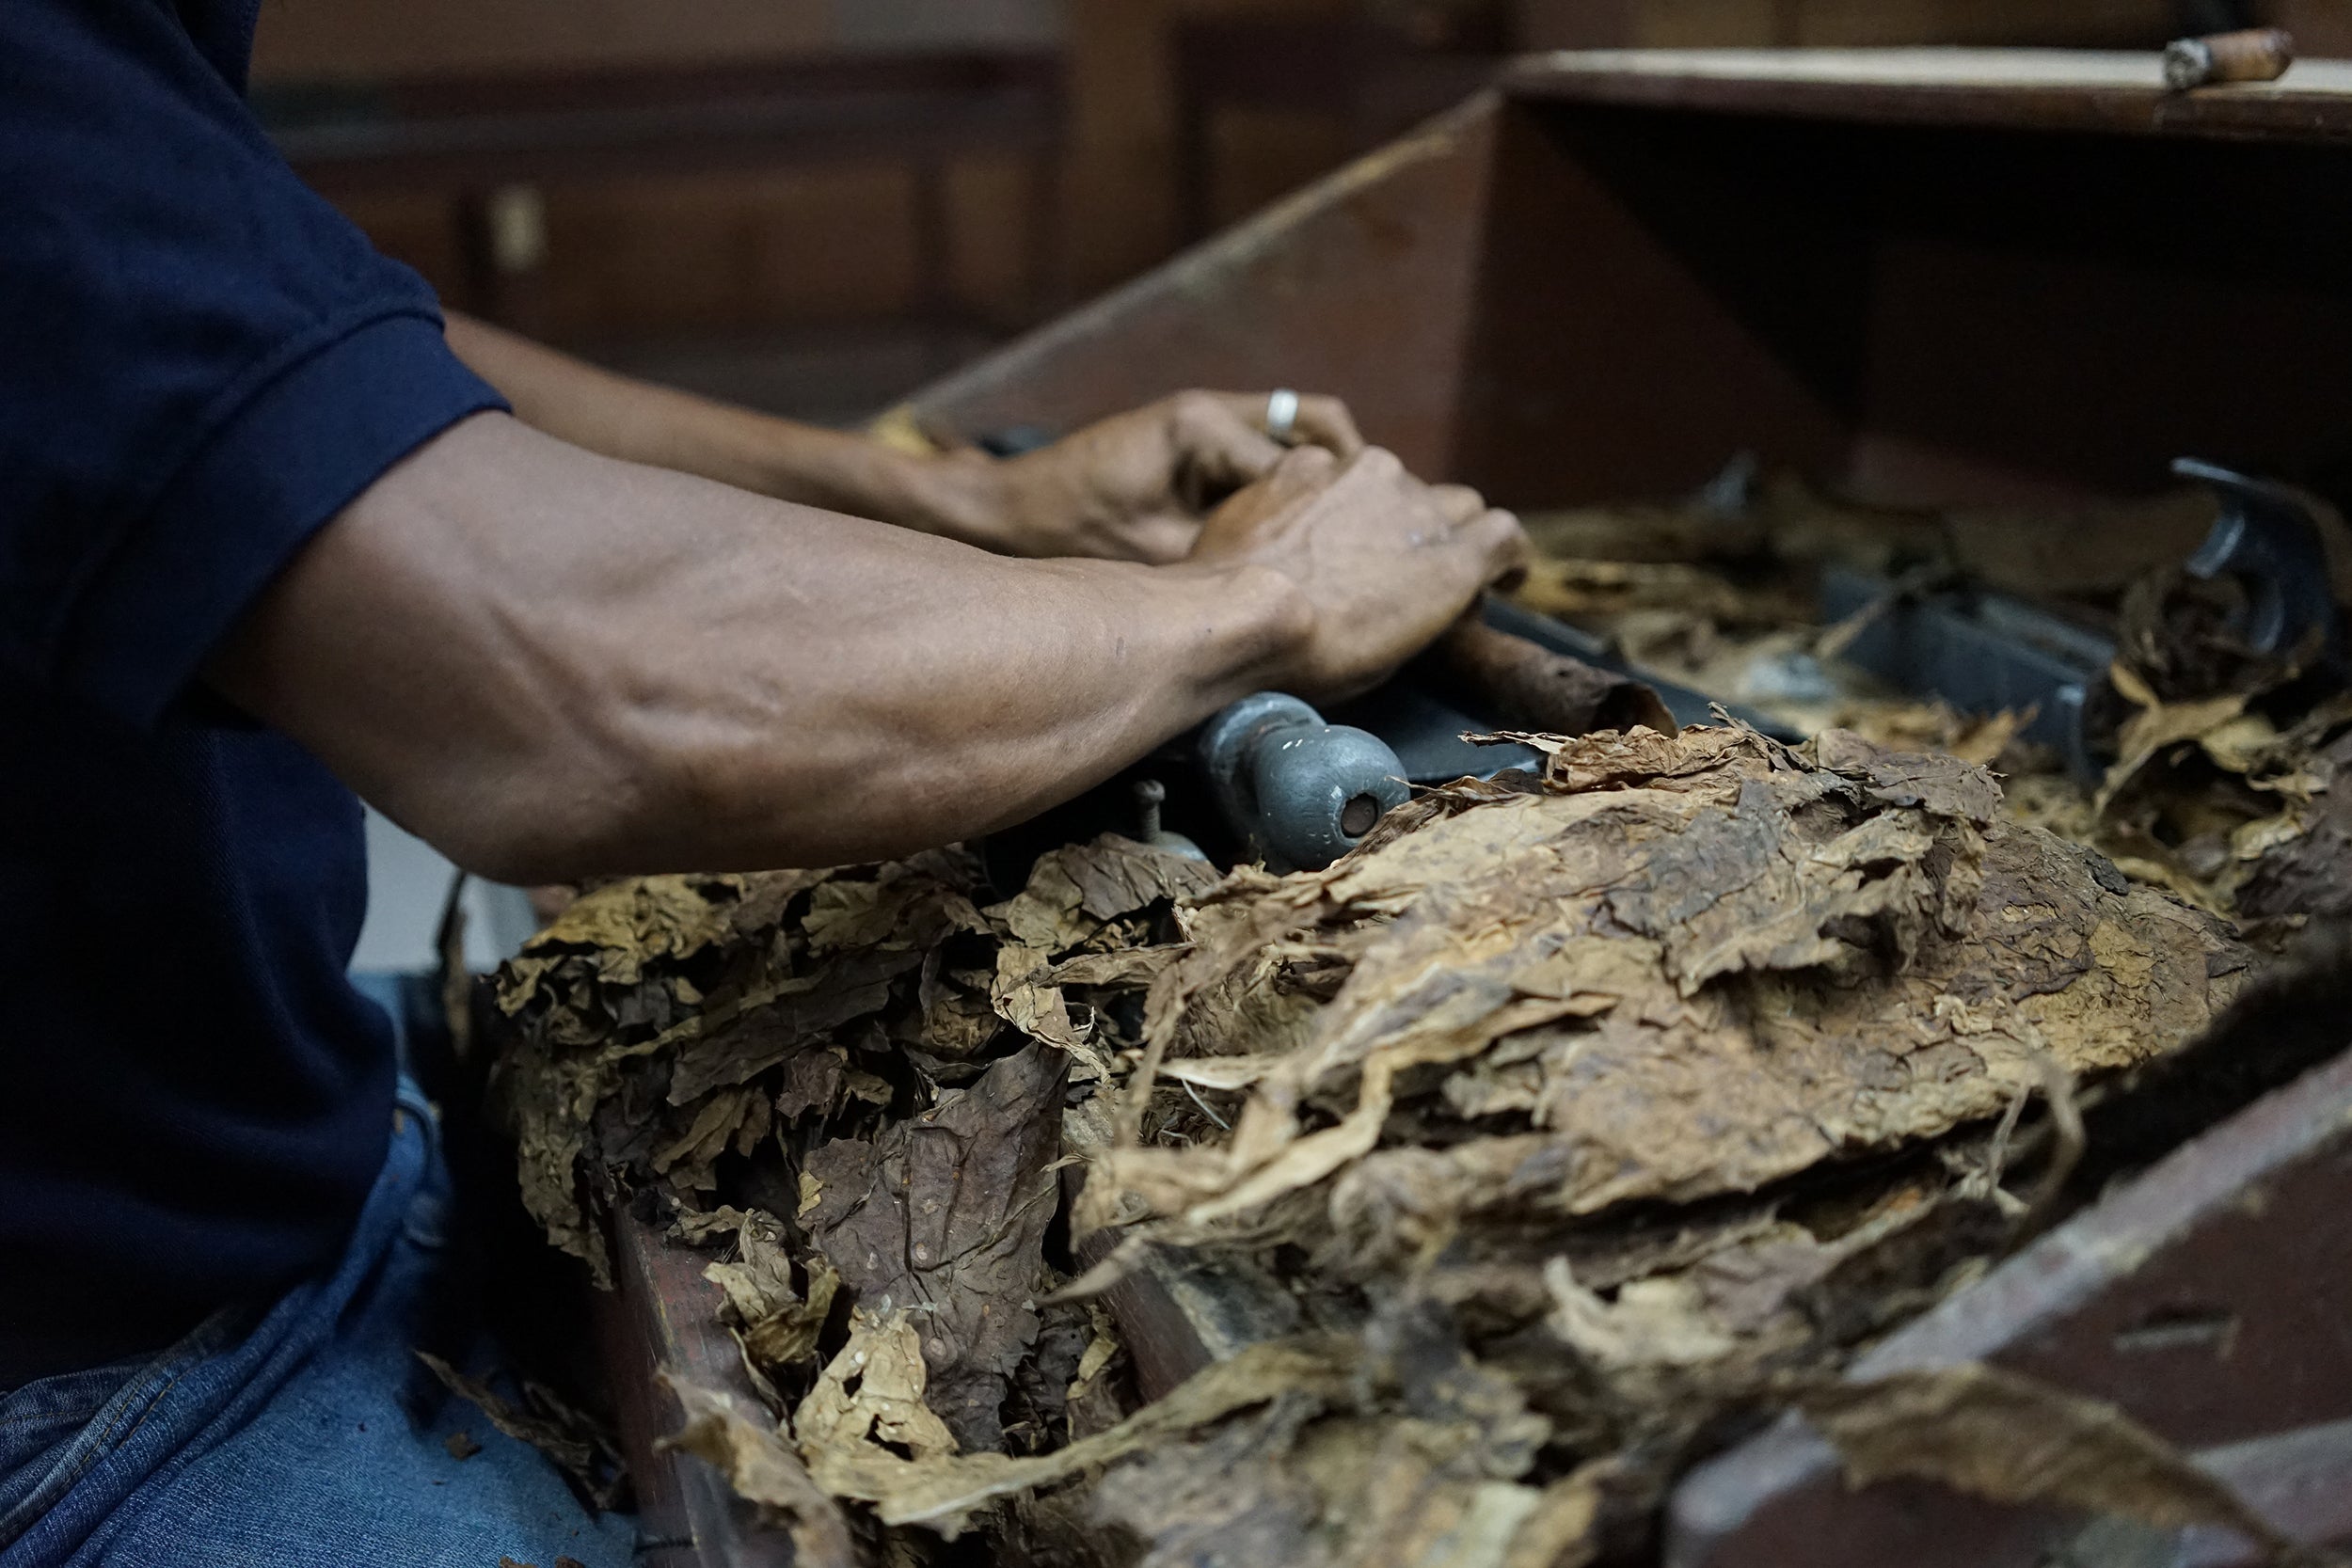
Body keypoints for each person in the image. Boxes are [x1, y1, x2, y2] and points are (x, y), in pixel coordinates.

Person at [0, 1, 1526, 1563]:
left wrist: (956, 497)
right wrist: (1264, 604)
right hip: (109, 1372)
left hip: (252, 1105)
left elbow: (306, 357)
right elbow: (574, 687)